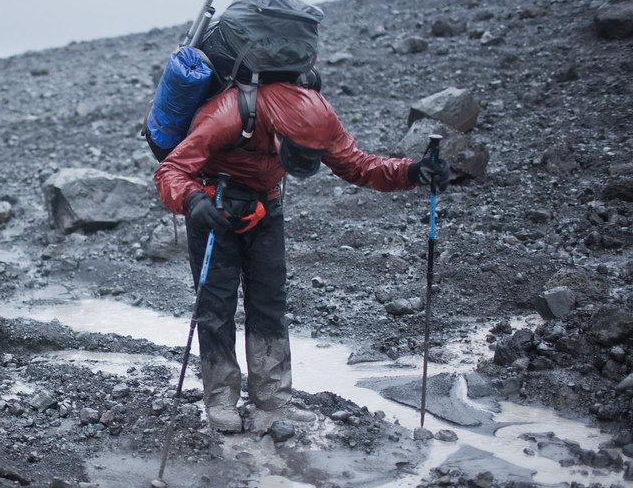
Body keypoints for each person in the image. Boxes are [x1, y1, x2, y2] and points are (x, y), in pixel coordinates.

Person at [153, 80, 450, 433]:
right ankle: (220, 399)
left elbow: (357, 165)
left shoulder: (319, 121)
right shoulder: (227, 114)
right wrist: (191, 200)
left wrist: (411, 172)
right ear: (279, 134)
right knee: (215, 305)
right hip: (213, 206)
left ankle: (273, 402)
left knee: (269, 303)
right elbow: (170, 170)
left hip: (267, 205)